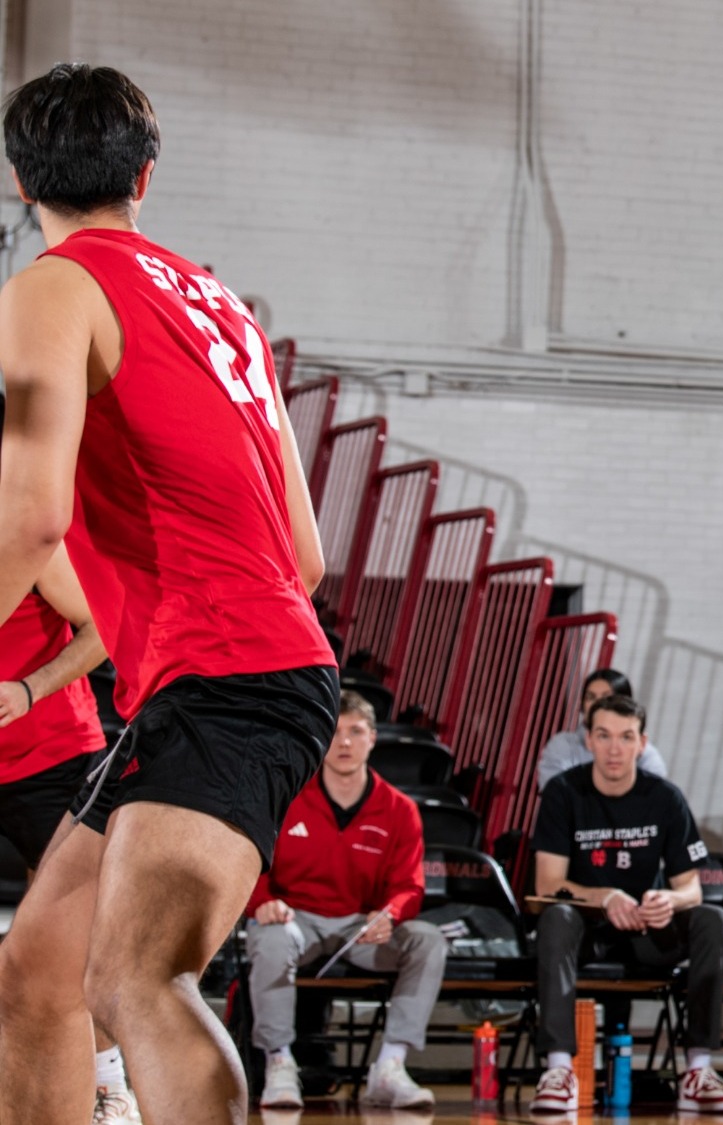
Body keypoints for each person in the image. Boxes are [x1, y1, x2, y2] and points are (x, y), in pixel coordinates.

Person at [0, 64, 340, 1125]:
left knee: (134, 981)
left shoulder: (52, 286)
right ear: (145, 177)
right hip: (221, 677)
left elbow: (30, 517)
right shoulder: (224, 306)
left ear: (20, 185)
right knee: (35, 979)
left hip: (229, 682)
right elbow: (307, 553)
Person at [528, 694, 723, 1115]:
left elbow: (692, 889)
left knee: (711, 918)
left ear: (643, 743)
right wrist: (603, 898)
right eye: (604, 736)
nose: (615, 749)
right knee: (556, 918)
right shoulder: (563, 793)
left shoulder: (665, 798)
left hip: (647, 928)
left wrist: (668, 900)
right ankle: (559, 1070)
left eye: (625, 737)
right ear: (588, 740)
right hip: (587, 930)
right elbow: (547, 884)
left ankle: (698, 1069)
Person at [246, 692, 446, 1110]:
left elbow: (410, 885)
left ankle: (390, 1066)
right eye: (335, 732)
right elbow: (249, 860)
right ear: (321, 739)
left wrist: (389, 914)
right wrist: (262, 901)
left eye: (356, 731)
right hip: (295, 919)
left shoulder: (400, 809)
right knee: (271, 937)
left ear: (372, 739)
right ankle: (279, 1063)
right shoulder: (288, 795)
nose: (345, 743)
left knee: (427, 940)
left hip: (361, 927)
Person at [0, 535, 141, 1125]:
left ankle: (108, 1087)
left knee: (68, 939)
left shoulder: (24, 536)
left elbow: (104, 628)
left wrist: (28, 690)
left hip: (50, 755)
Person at [535, 667, 667, 790]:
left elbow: (653, 800)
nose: (596, 705)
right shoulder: (563, 745)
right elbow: (554, 797)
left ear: (624, 703)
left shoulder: (645, 755)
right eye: (590, 697)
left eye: (606, 698)